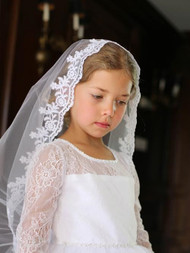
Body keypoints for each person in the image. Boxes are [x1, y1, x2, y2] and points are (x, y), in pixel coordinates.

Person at [0, 39, 154, 253]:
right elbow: (32, 238)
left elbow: (138, 232)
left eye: (121, 101)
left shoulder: (125, 165)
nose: (110, 110)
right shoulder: (56, 156)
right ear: (67, 92)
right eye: (98, 96)